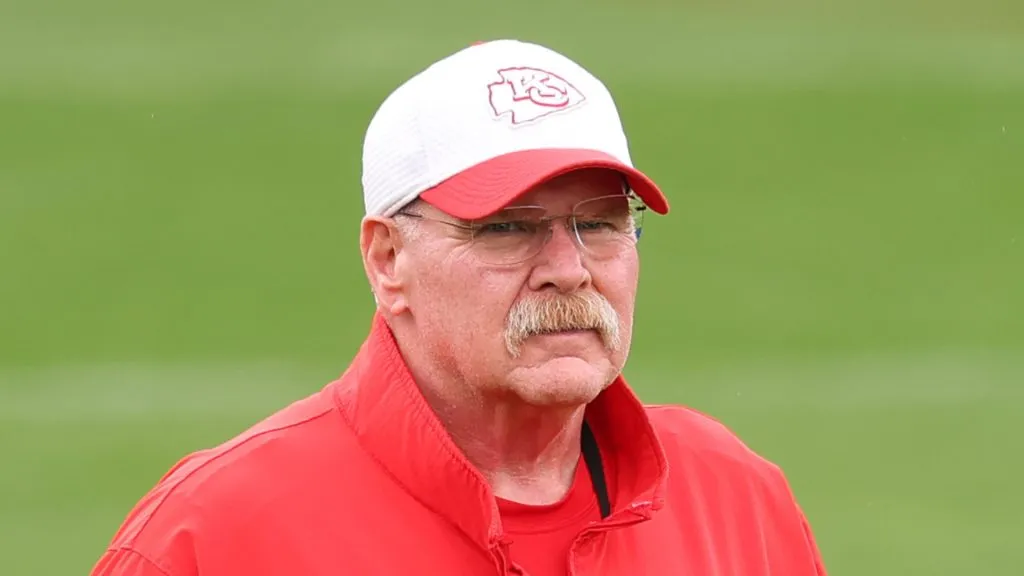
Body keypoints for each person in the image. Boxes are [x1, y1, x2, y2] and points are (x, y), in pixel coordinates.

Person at [91, 39, 828, 576]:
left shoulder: (731, 495)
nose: (568, 271)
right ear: (388, 259)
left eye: (601, 223)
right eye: (507, 228)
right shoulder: (215, 537)